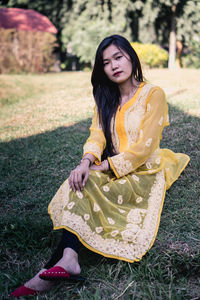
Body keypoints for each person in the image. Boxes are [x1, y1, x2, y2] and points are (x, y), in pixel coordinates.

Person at [11, 34, 190, 297]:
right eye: (106, 62)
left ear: (131, 56)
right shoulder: (105, 98)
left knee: (89, 183)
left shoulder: (153, 94)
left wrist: (104, 166)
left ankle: (49, 271)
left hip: (143, 170)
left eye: (118, 57)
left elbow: (144, 148)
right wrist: (85, 162)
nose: (114, 65)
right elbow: (97, 135)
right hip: (110, 165)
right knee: (79, 180)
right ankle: (68, 259)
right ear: (101, 69)